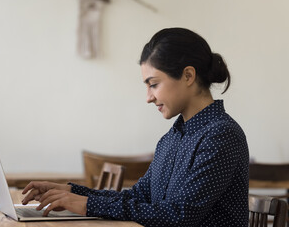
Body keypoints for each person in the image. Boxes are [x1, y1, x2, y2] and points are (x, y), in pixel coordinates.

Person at [21, 27, 249, 226]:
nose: (148, 97)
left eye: (154, 84)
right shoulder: (172, 138)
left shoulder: (221, 134)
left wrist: (88, 205)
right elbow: (139, 197)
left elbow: (181, 215)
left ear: (188, 75)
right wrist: (72, 192)